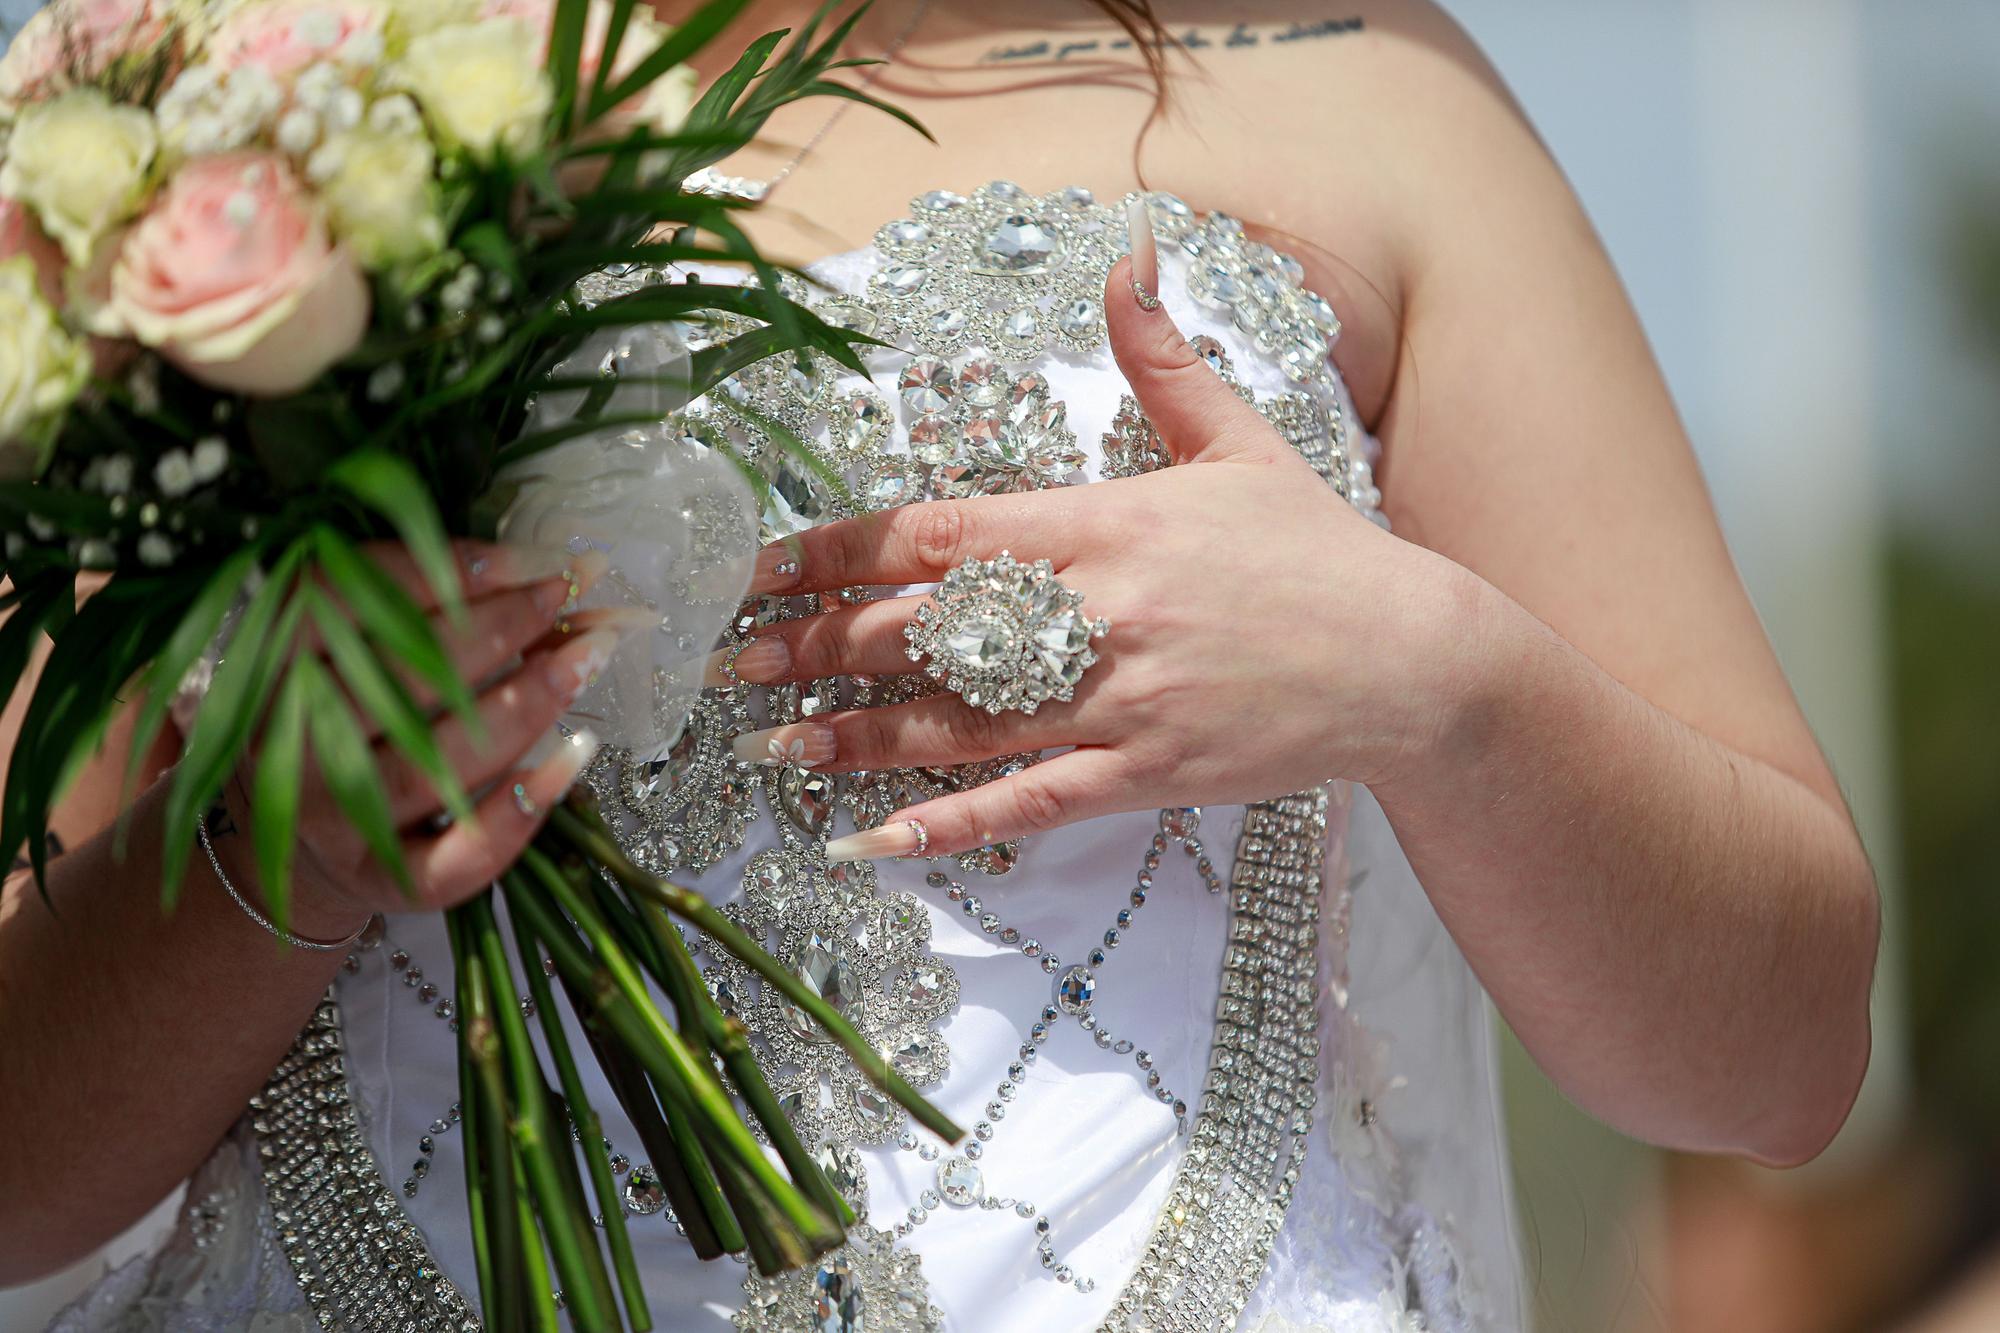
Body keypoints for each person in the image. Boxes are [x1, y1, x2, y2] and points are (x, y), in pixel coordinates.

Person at [0, 2, 1879, 1329]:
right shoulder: (237, 106)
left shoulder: (1361, 81)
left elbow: (1780, 1056)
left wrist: (1424, 673)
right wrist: (282, 839)